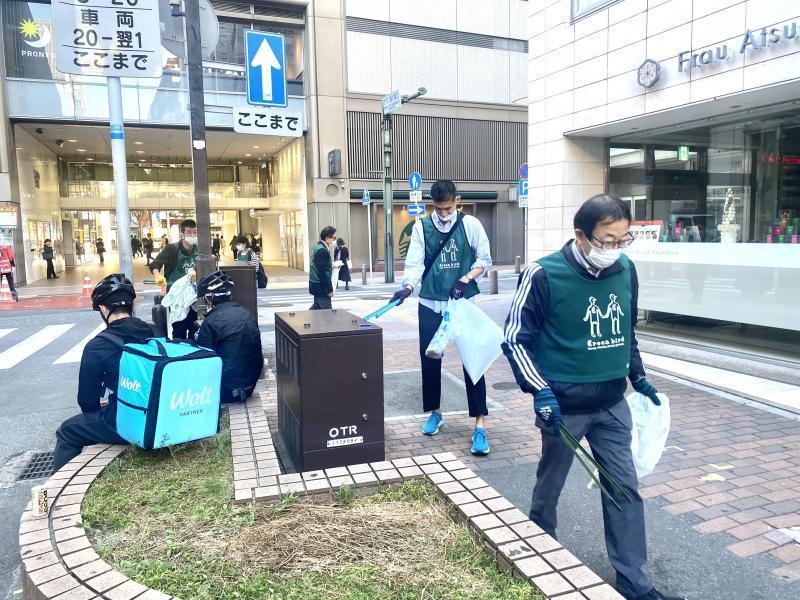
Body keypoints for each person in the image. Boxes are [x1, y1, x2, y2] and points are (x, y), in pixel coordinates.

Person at [501, 194, 683, 600]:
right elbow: (515, 340)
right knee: (551, 486)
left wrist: (638, 377)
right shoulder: (543, 274)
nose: (615, 249)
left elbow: (626, 331)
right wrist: (540, 391)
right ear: (581, 236)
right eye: (607, 240)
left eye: (623, 239)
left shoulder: (625, 269)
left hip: (611, 404)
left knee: (624, 490)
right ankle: (538, 553)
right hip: (562, 408)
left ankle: (635, 583)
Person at [389, 180, 493, 456]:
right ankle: (435, 412)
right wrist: (407, 287)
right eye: (439, 209)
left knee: (473, 361)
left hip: (463, 304)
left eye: (448, 208)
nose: (444, 214)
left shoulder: (470, 225)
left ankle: (480, 426)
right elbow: (414, 263)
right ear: (431, 204)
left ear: (457, 201)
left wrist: (466, 277)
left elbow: (485, 259)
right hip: (430, 302)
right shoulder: (422, 227)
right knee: (430, 360)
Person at [53, 274, 153, 471]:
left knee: (66, 431)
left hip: (129, 423)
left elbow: (87, 404)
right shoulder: (154, 331)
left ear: (103, 309)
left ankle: (55, 493)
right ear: (132, 307)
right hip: (160, 414)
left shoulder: (97, 346)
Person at [196, 271, 262, 403]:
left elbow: (203, 359)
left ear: (208, 299)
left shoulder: (211, 322)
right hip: (249, 385)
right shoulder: (246, 313)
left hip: (227, 390)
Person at [150, 219, 199, 339]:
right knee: (179, 328)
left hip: (194, 295)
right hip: (176, 295)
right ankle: (179, 351)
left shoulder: (199, 250)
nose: (192, 235)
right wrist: (158, 276)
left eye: (195, 232)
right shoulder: (172, 249)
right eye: (189, 232)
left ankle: (194, 354)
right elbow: (155, 264)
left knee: (195, 327)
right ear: (182, 234)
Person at [309, 226, 336, 310]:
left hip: (316, 284)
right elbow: (322, 272)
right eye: (334, 237)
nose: (334, 240)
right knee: (326, 314)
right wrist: (329, 290)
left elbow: (319, 266)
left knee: (317, 309)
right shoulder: (322, 251)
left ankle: (305, 320)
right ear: (327, 238)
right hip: (320, 286)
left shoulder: (317, 247)